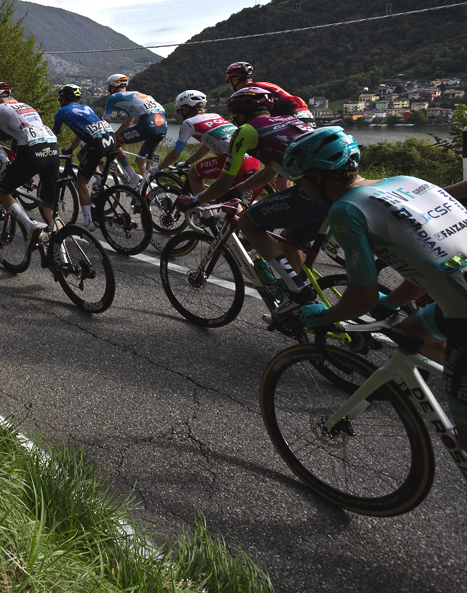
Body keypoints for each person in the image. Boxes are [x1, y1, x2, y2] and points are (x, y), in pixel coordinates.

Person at [285, 127, 467, 449]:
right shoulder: (406, 182)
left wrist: (325, 316)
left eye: (300, 182)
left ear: (316, 177)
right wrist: (392, 302)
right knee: (413, 331)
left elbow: (362, 297)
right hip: (457, 296)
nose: (301, 190)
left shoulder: (346, 209)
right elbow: (431, 262)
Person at [178, 86, 316, 313]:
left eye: (235, 117)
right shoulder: (287, 120)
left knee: (248, 223)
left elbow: (222, 183)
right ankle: (299, 301)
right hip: (336, 189)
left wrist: (196, 201)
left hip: (312, 193)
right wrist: (236, 191)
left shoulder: (246, 130)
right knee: (290, 243)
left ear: (240, 115)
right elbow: (269, 173)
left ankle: (298, 290)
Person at [0, 82, 58, 253]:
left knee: (3, 192)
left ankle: (30, 227)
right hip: (53, 149)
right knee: (49, 207)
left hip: (32, 152)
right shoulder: (25, 106)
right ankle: (63, 257)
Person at [156, 90, 262, 195]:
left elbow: (175, 154)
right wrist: (187, 162)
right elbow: (206, 147)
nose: (178, 115)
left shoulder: (188, 123)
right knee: (228, 198)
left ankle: (203, 206)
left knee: (193, 174)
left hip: (233, 159)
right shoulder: (215, 116)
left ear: (185, 110)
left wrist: (158, 168)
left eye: (177, 111)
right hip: (253, 159)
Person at [53, 84, 118, 231]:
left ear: (62, 99)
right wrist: (70, 149)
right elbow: (80, 134)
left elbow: (53, 136)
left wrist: (52, 153)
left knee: (82, 182)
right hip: (111, 139)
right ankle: (101, 182)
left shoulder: (61, 112)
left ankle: (88, 222)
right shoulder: (87, 107)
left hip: (97, 144)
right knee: (80, 155)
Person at [102, 74, 168, 182]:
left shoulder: (113, 98)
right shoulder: (137, 96)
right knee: (140, 160)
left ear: (113, 87)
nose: (109, 92)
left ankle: (133, 176)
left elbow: (104, 123)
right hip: (163, 125)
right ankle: (147, 190)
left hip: (148, 124)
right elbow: (129, 122)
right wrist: (115, 136)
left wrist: (110, 138)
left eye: (109, 89)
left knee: (115, 145)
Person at [225, 62, 312, 122]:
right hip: (303, 111)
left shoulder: (247, 91)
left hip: (291, 113)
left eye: (228, 81)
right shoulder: (262, 85)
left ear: (235, 80)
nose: (229, 85)